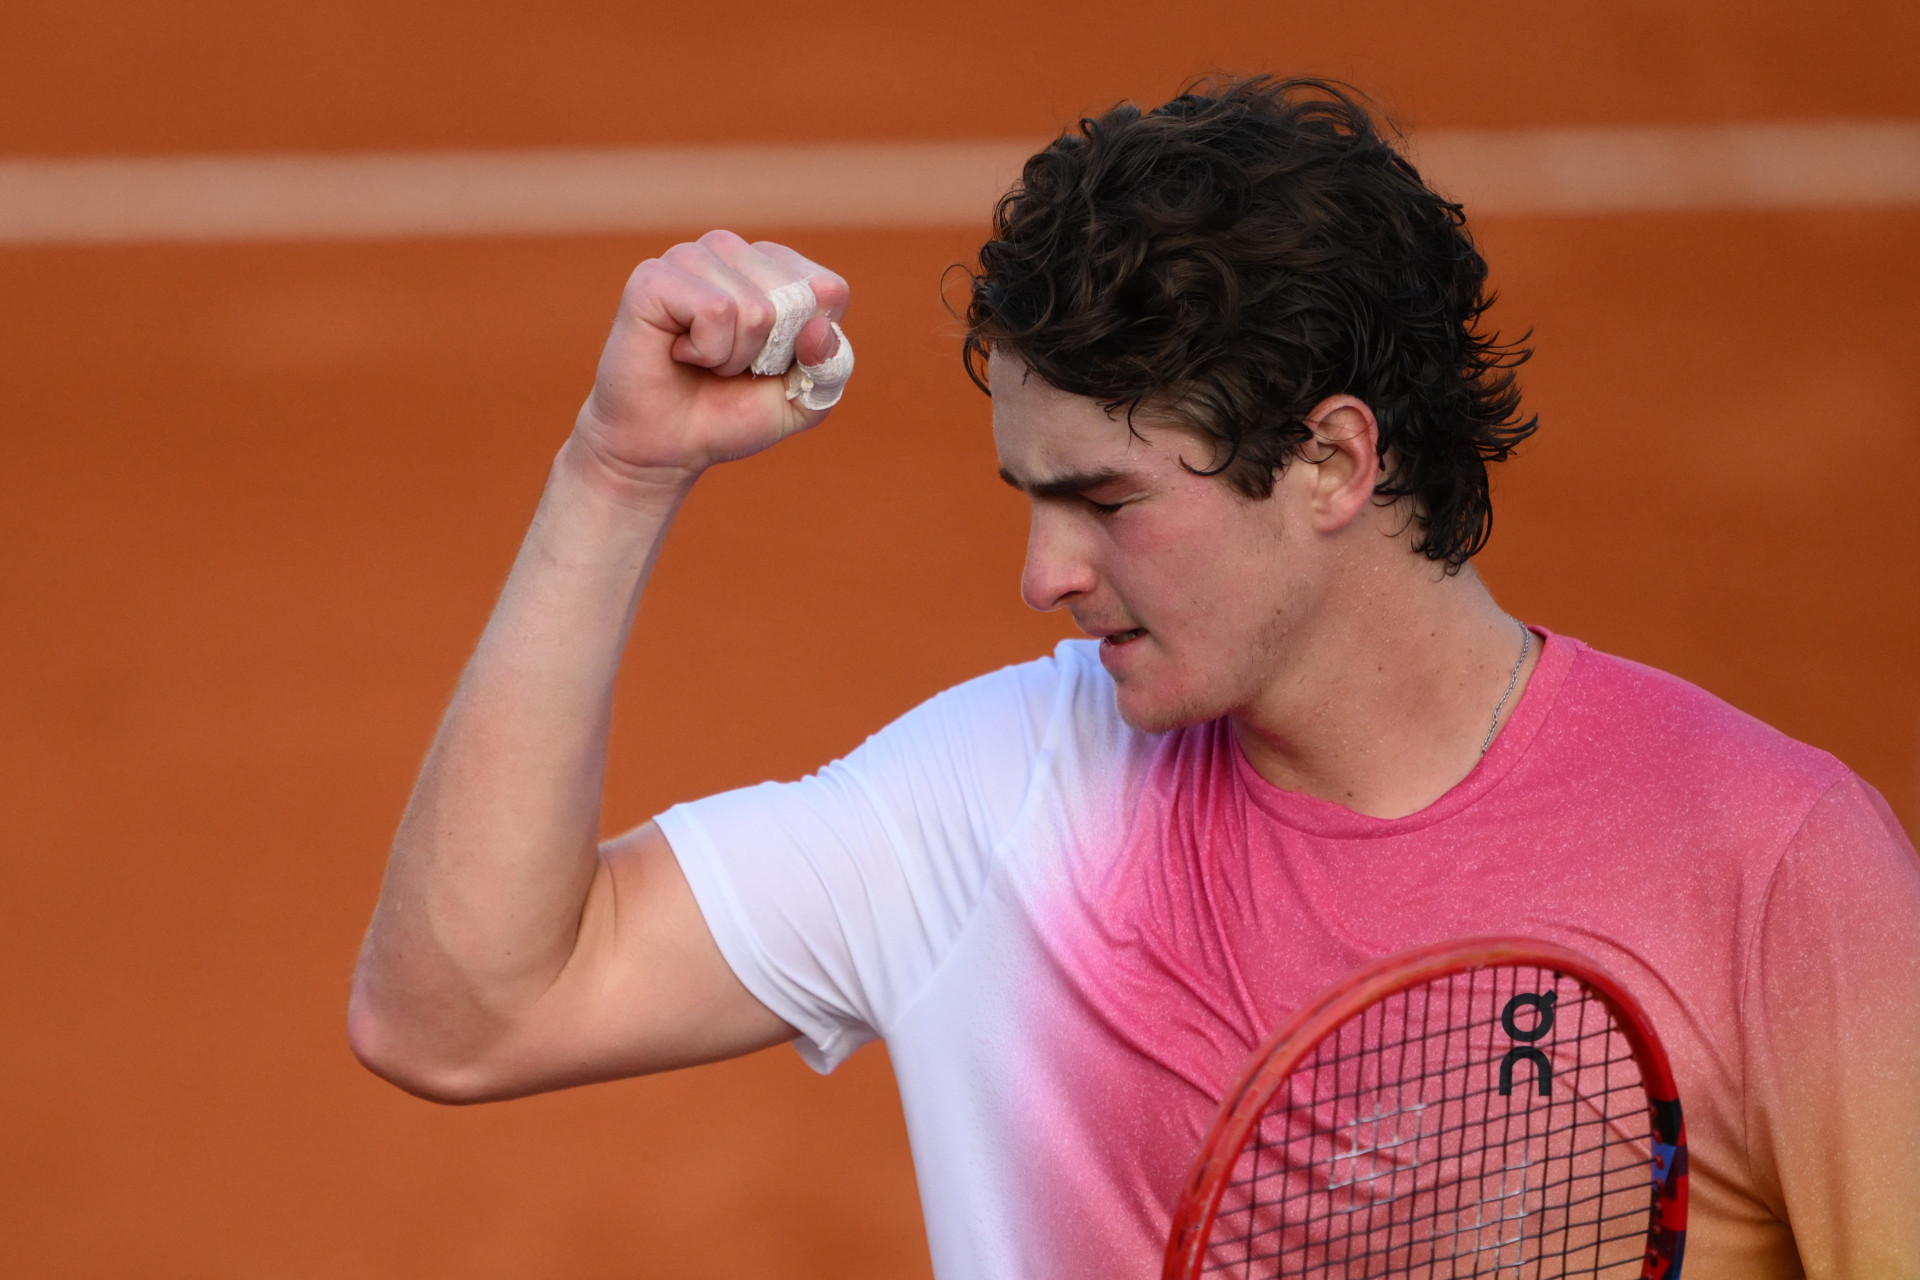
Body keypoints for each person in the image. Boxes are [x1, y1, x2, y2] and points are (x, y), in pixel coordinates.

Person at [348, 79, 1920, 1279]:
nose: (1044, 575)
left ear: (1331, 460)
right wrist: (615, 473)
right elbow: (464, 1015)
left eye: (1105, 502)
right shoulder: (1003, 802)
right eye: (1030, 500)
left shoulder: (1770, 868)